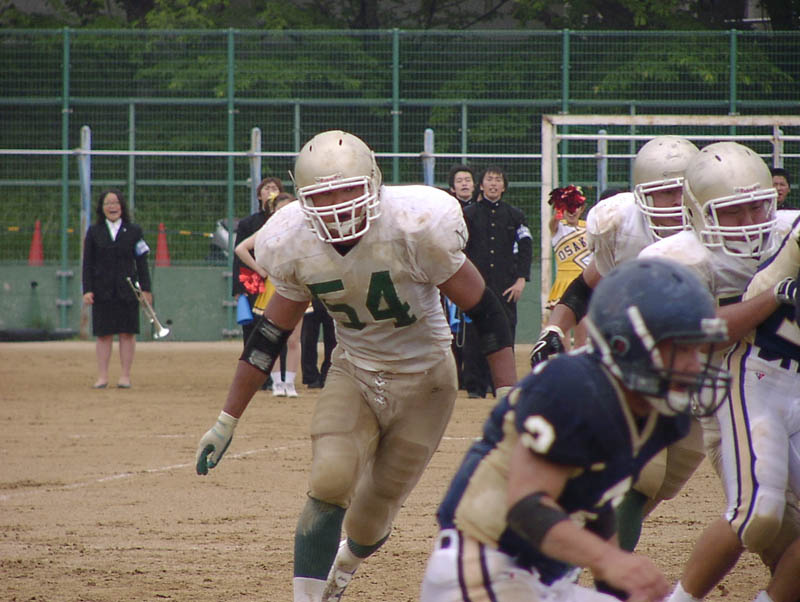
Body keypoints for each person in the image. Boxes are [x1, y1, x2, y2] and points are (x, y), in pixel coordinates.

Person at [194, 130, 517, 602]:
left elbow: (486, 311)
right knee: (329, 481)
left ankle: (344, 566)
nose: (338, 207)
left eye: (347, 190)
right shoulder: (294, 241)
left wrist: (508, 399)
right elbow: (268, 336)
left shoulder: (414, 226)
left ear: (374, 183)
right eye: (323, 197)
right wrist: (226, 420)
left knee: (369, 519)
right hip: (355, 370)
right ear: (303, 201)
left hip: (427, 381)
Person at [420, 258, 732, 602]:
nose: (694, 364)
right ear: (625, 344)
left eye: (697, 348)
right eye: (680, 349)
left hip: (546, 578)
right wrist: (609, 560)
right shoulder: (572, 386)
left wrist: (617, 586)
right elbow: (526, 507)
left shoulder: (658, 412)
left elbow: (597, 503)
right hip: (483, 567)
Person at [643, 144, 800, 602]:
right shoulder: (683, 258)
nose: (750, 221)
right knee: (762, 518)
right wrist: (773, 296)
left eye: (758, 206)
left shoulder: (787, 233)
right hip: (729, 401)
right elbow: (699, 335)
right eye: (732, 211)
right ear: (698, 213)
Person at [461, 165, 532, 398]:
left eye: (498, 180)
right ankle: (475, 386)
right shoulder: (468, 214)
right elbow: (459, 248)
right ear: (481, 185)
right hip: (476, 286)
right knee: (474, 333)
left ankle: (501, 384)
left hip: (506, 287)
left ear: (504, 187)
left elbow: (525, 247)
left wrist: (521, 280)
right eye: (489, 180)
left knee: (505, 332)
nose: (493, 184)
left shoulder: (515, 215)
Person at [81, 188, 152, 389]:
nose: (112, 207)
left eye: (116, 203)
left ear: (122, 206)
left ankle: (125, 376)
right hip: (102, 291)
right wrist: (87, 290)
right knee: (103, 334)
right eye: (108, 203)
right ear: (101, 208)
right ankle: (102, 376)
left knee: (127, 333)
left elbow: (142, 263)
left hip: (128, 291)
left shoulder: (135, 231)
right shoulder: (94, 232)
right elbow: (87, 264)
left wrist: (146, 290)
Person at [235, 192, 302, 398]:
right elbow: (241, 248)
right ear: (273, 211)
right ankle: (277, 383)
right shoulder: (267, 231)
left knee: (294, 339)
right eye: (280, 210)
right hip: (274, 287)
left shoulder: (302, 231)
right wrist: (260, 270)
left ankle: (290, 383)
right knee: (272, 337)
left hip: (297, 286)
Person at [544, 185, 591, 349]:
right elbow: (553, 223)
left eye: (576, 205)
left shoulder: (589, 226)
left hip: (584, 282)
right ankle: (564, 360)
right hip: (564, 284)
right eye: (568, 206)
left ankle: (579, 361)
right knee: (561, 333)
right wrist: (559, 209)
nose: (572, 210)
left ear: (582, 208)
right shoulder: (558, 227)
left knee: (582, 334)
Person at [444, 164, 477, 390]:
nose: (464, 184)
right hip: (450, 272)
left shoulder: (481, 211)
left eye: (468, 180)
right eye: (459, 180)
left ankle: (473, 376)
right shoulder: (447, 211)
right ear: (452, 188)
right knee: (451, 328)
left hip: (474, 273)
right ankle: (453, 376)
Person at [300, 297, 336, 389]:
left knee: (333, 339)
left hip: (331, 299)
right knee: (308, 339)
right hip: (311, 299)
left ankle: (328, 374)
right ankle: (311, 376)